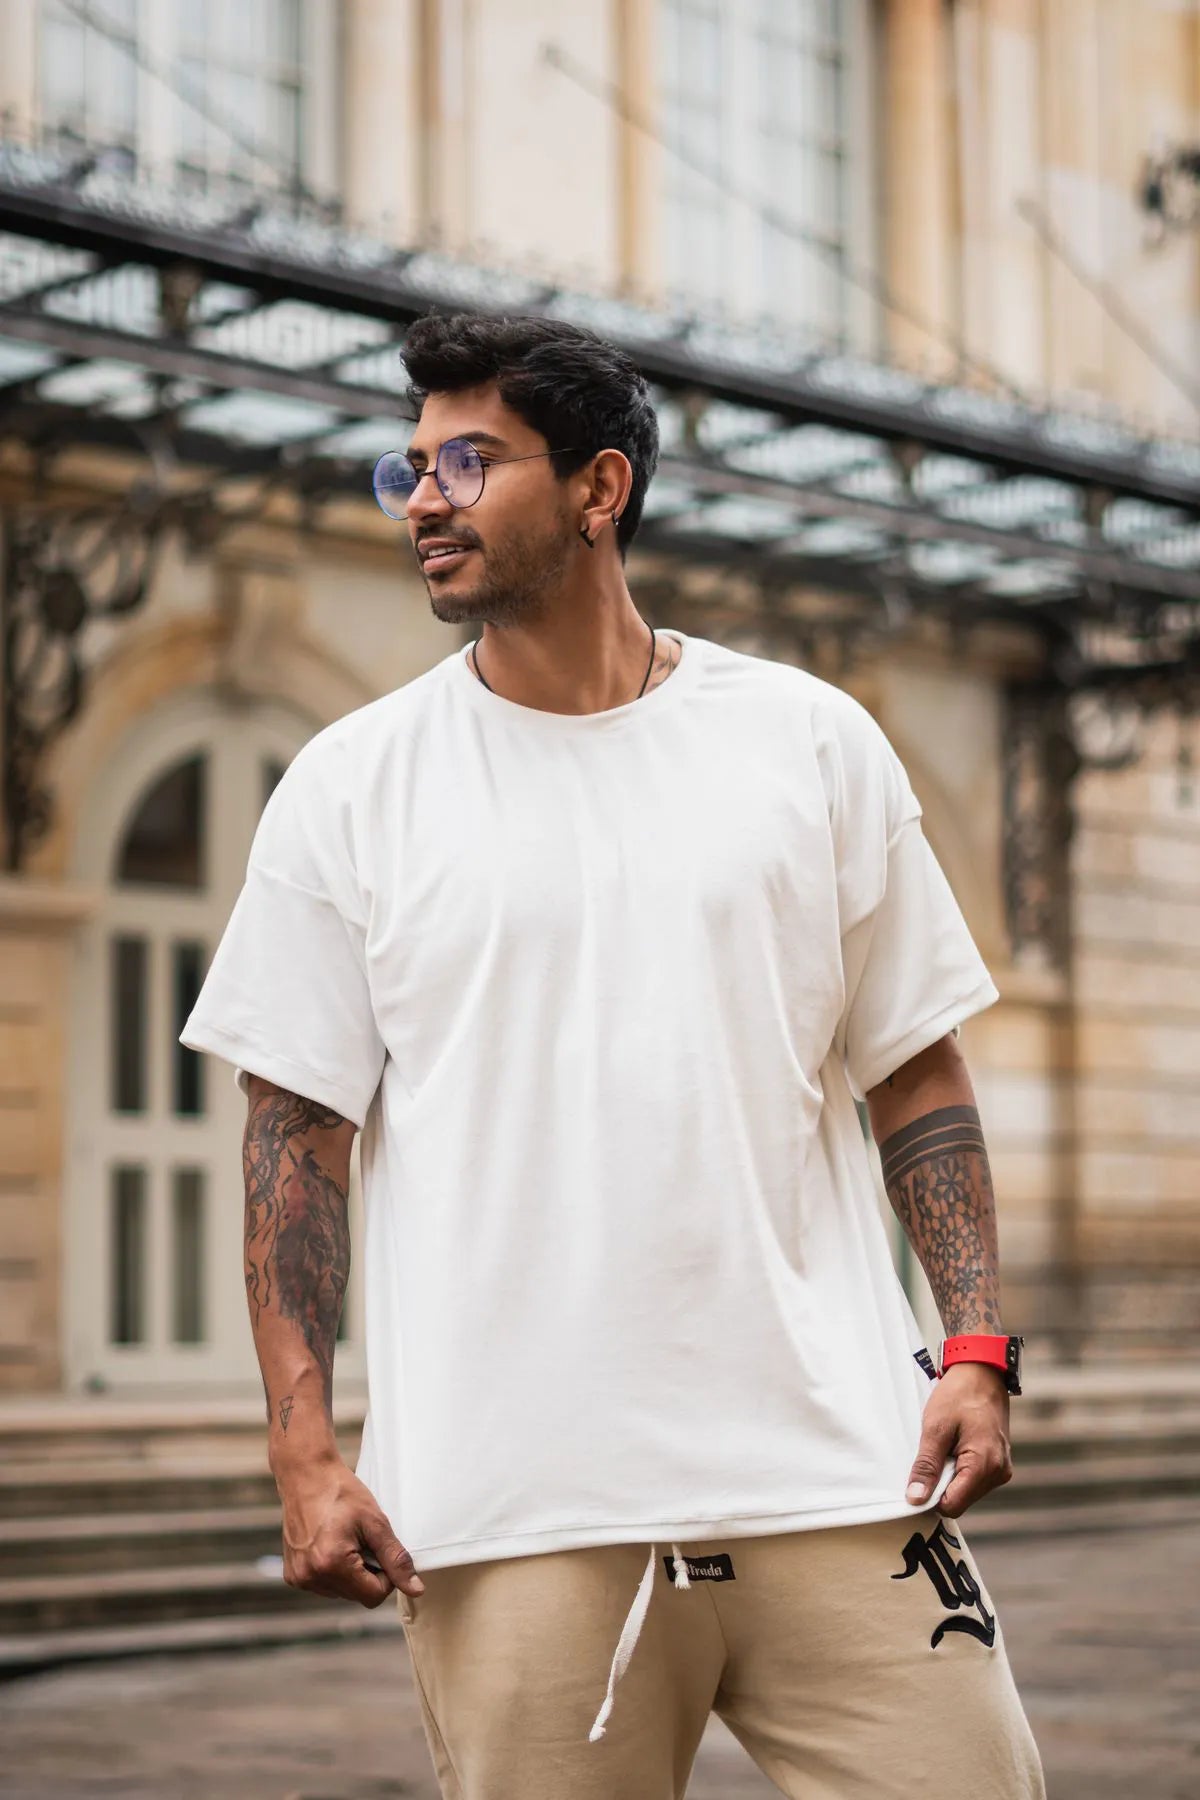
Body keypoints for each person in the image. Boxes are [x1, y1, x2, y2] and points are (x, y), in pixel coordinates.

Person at [181, 312, 1045, 1800]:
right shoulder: (351, 787)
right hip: (520, 1511)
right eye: (410, 467)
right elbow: (294, 1138)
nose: (426, 497)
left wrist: (976, 1349)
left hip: (840, 1475)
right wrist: (302, 1452)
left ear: (600, 488)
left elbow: (914, 1072)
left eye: (470, 461)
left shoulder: (810, 743)